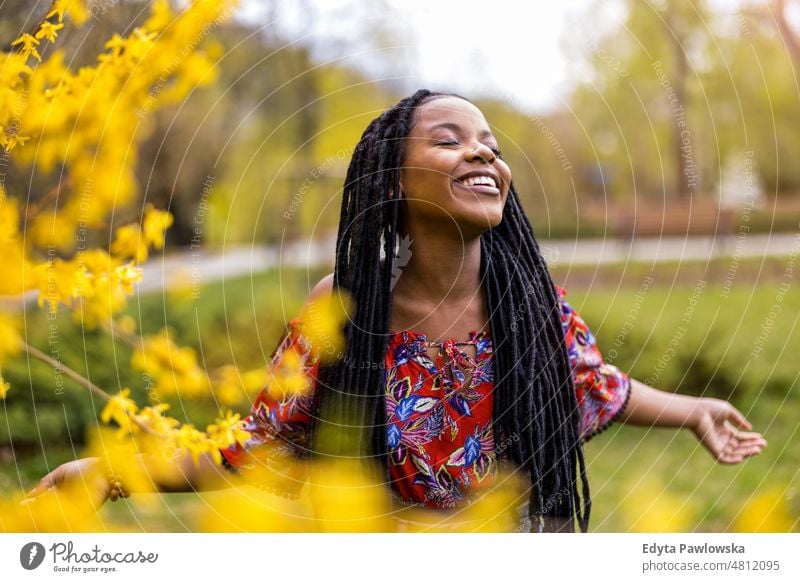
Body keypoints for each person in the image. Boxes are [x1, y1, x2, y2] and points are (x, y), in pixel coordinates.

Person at [26, 89, 767, 532]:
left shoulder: (528, 300)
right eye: (449, 141)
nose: (483, 155)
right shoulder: (343, 311)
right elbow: (251, 445)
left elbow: (593, 382)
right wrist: (111, 472)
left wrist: (694, 408)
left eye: (491, 145)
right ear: (389, 183)